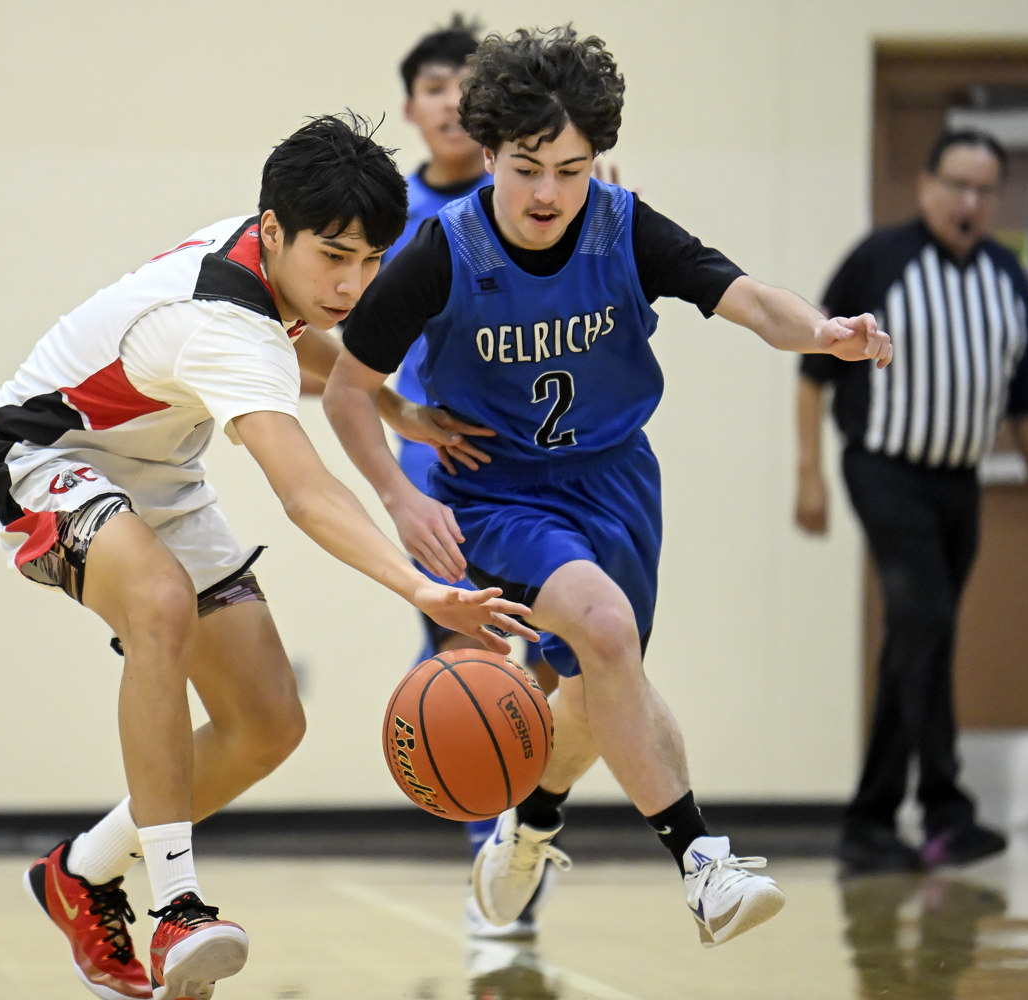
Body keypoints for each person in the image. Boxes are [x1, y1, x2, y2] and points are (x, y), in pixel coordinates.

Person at [322, 26, 893, 948]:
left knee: (593, 682)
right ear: (490, 155)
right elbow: (349, 390)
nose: (548, 191)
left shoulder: (626, 230)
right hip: (499, 490)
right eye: (527, 166)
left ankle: (534, 820)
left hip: (618, 483)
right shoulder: (441, 251)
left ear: (598, 161)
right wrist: (400, 492)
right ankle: (702, 861)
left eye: (572, 168)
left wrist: (826, 332)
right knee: (607, 629)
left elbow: (748, 299)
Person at [0, 113, 537, 1000]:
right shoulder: (219, 325)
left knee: (269, 724)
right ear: (273, 231)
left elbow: (297, 346)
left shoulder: (269, 262)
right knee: (157, 603)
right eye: (334, 257)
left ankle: (80, 872)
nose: (351, 284)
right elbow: (306, 491)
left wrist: (390, 408)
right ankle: (176, 908)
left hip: (156, 471)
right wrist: (423, 587)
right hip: (44, 456)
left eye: (370, 260)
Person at [795, 129, 1028, 875]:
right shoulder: (878, 259)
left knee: (926, 636)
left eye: (986, 191)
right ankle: (910, 813)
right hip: (883, 469)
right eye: (959, 186)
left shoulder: (1008, 278)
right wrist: (809, 474)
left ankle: (906, 819)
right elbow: (814, 368)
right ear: (927, 185)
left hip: (960, 481)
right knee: (923, 619)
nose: (972, 203)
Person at [385, 14, 561, 941]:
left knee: (553, 660)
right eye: (434, 85)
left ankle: (522, 832)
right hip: (443, 476)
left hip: (547, 468)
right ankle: (496, 857)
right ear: (412, 106)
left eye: (465, 83)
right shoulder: (386, 222)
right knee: (472, 660)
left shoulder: (539, 205)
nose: (451, 100)